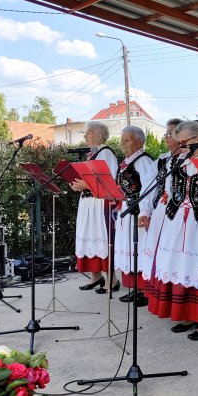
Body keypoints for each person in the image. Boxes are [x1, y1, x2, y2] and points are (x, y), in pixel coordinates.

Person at [145, 121, 198, 332]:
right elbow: (168, 189)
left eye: (186, 142)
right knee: (179, 266)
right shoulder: (177, 162)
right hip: (177, 222)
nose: (182, 146)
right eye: (180, 142)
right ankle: (187, 314)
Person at [71, 122, 119, 294]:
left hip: (100, 204)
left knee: (101, 238)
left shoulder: (106, 153)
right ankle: (96, 276)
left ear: (99, 135)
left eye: (89, 133)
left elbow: (109, 180)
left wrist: (84, 184)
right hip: (89, 203)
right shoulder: (94, 154)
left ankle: (111, 279)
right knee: (89, 237)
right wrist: (79, 184)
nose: (85, 136)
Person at [113, 126, 153, 307]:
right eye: (122, 139)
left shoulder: (143, 161)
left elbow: (148, 188)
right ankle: (136, 288)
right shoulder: (128, 161)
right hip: (127, 209)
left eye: (127, 139)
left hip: (138, 211)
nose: (122, 142)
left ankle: (145, 290)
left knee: (140, 247)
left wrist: (145, 211)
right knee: (129, 246)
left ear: (139, 141)